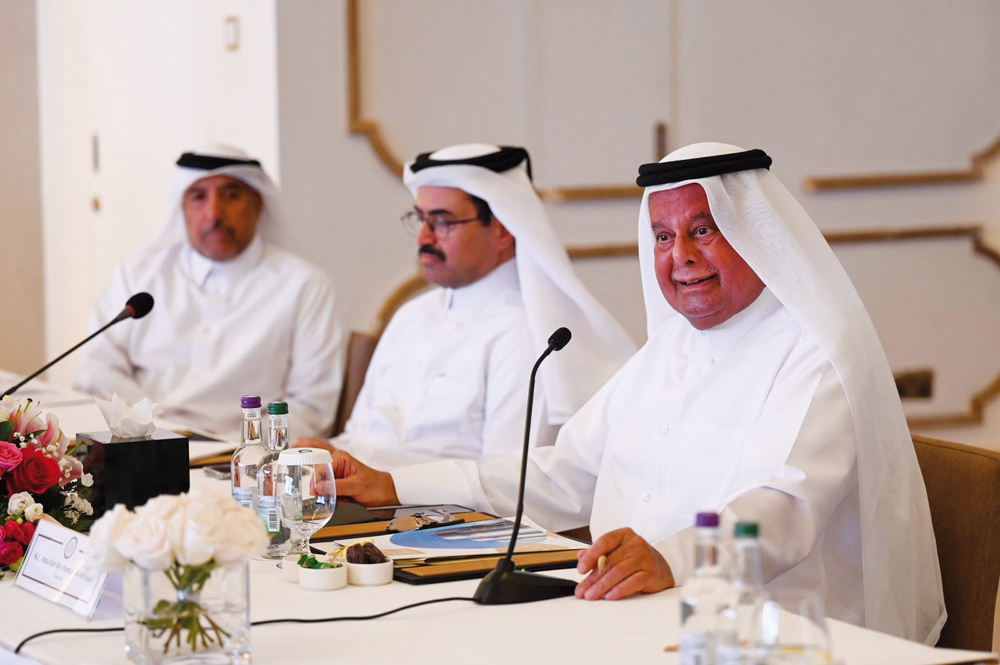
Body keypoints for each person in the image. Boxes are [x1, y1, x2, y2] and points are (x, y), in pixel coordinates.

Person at [326, 143, 946, 644]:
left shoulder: (813, 350)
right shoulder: (668, 349)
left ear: (754, 234)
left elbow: (784, 508)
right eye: (663, 236)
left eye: (703, 230)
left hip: (769, 634)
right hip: (630, 616)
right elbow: (561, 474)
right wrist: (397, 486)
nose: (682, 257)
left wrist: (673, 558)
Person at [297, 144, 635, 469]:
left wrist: (378, 484)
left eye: (443, 222)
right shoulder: (411, 316)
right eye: (420, 219)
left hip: (442, 522)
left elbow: (505, 485)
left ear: (503, 229)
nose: (424, 239)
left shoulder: (527, 335)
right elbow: (358, 437)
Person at [74, 146, 345, 440]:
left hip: (245, 458)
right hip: (146, 444)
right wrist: (148, 429)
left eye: (231, 195)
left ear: (258, 204)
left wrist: (244, 451)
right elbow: (99, 369)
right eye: (198, 196)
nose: (214, 214)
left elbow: (312, 406)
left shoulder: (305, 285)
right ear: (182, 207)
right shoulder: (138, 274)